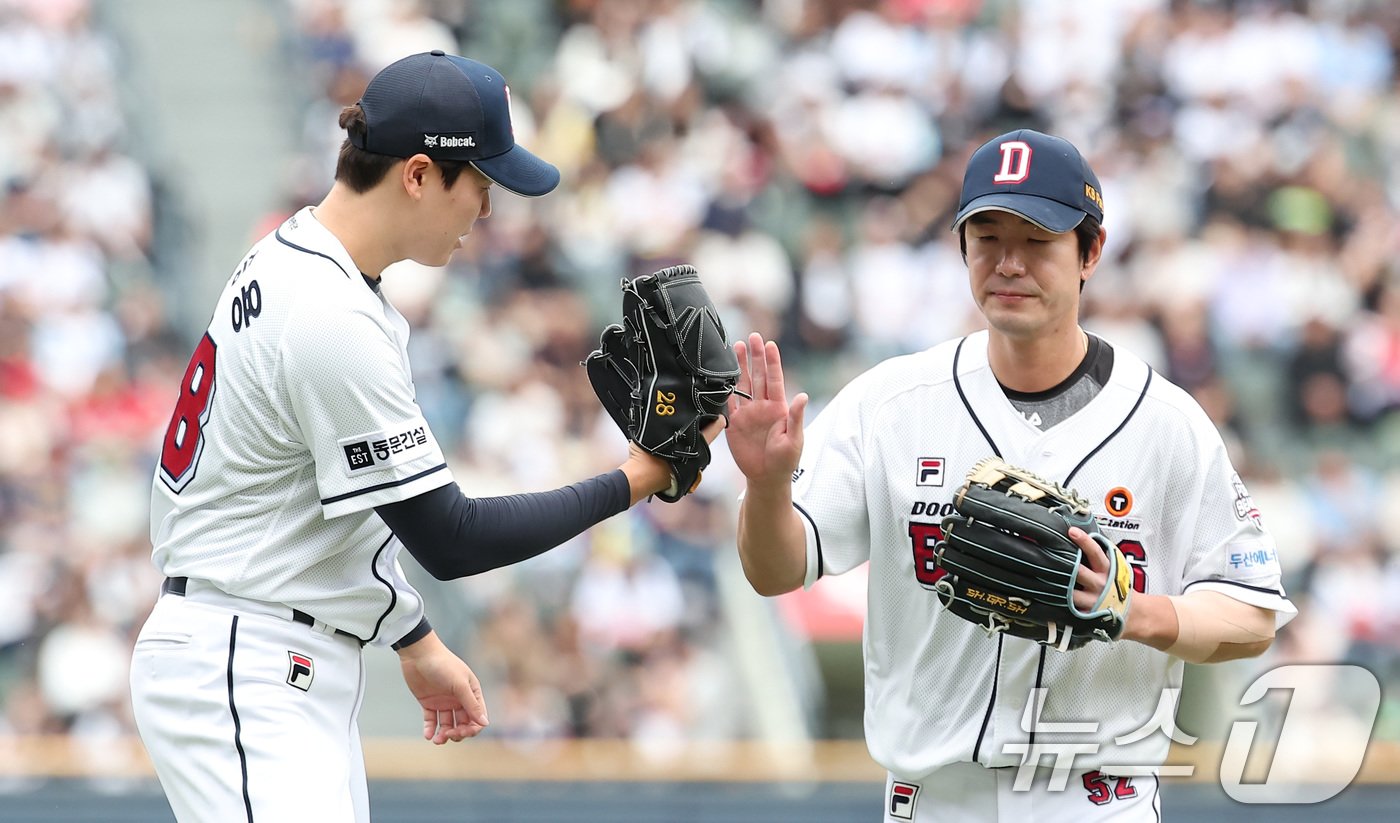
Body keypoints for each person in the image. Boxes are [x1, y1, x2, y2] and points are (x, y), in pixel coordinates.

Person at [130, 51, 704, 822]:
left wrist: (413, 637)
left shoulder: (304, 261)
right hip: (244, 657)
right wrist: (638, 476)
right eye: (482, 185)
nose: (488, 212)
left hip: (263, 648)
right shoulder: (328, 313)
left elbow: (317, 507)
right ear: (419, 174)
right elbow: (452, 538)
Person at [726, 129, 1296, 821]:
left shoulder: (1167, 425)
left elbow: (1253, 615)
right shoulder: (890, 405)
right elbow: (775, 570)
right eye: (987, 236)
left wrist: (1132, 609)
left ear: (1091, 252)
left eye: (1037, 239)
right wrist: (765, 488)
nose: (1008, 263)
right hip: (930, 800)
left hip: (1095, 801)